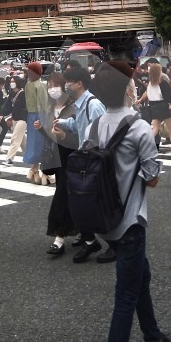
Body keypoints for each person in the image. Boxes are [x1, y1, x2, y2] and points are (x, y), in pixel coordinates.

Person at [91, 61, 171, 342]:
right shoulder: (139, 128)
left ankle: (155, 339)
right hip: (129, 220)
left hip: (103, 218)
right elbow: (152, 178)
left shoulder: (94, 125)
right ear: (128, 89)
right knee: (125, 296)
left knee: (141, 275)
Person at [53, 64, 112, 263]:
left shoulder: (92, 104)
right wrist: (61, 123)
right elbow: (79, 126)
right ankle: (89, 240)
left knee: (93, 203)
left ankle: (112, 243)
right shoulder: (80, 103)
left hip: (93, 160)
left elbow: (103, 133)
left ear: (79, 84)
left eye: (69, 82)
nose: (66, 85)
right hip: (83, 161)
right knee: (80, 202)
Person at [40, 72, 78, 256]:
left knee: (64, 195)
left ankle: (60, 238)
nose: (52, 89)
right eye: (49, 85)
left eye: (55, 85)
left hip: (73, 155)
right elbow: (50, 135)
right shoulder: (49, 107)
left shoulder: (74, 106)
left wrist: (66, 136)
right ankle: (86, 234)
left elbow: (82, 133)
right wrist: (42, 130)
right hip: (57, 156)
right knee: (71, 195)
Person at [135, 62, 171, 155]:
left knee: (155, 129)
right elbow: (169, 98)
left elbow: (146, 94)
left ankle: (143, 144)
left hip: (153, 107)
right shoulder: (162, 83)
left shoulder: (150, 84)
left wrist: (140, 100)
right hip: (163, 107)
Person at [23, 62, 47, 184]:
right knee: (43, 142)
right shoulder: (41, 85)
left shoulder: (28, 84)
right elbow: (44, 103)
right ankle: (40, 172)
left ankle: (35, 169)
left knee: (33, 142)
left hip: (30, 115)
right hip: (40, 115)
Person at [2, 76, 27, 163]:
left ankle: (9, 159)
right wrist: (2, 114)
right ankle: (29, 156)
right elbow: (7, 106)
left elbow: (26, 107)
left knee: (15, 138)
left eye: (13, 81)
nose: (11, 83)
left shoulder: (23, 93)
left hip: (23, 119)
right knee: (22, 140)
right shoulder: (12, 93)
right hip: (14, 119)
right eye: (11, 81)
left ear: (17, 82)